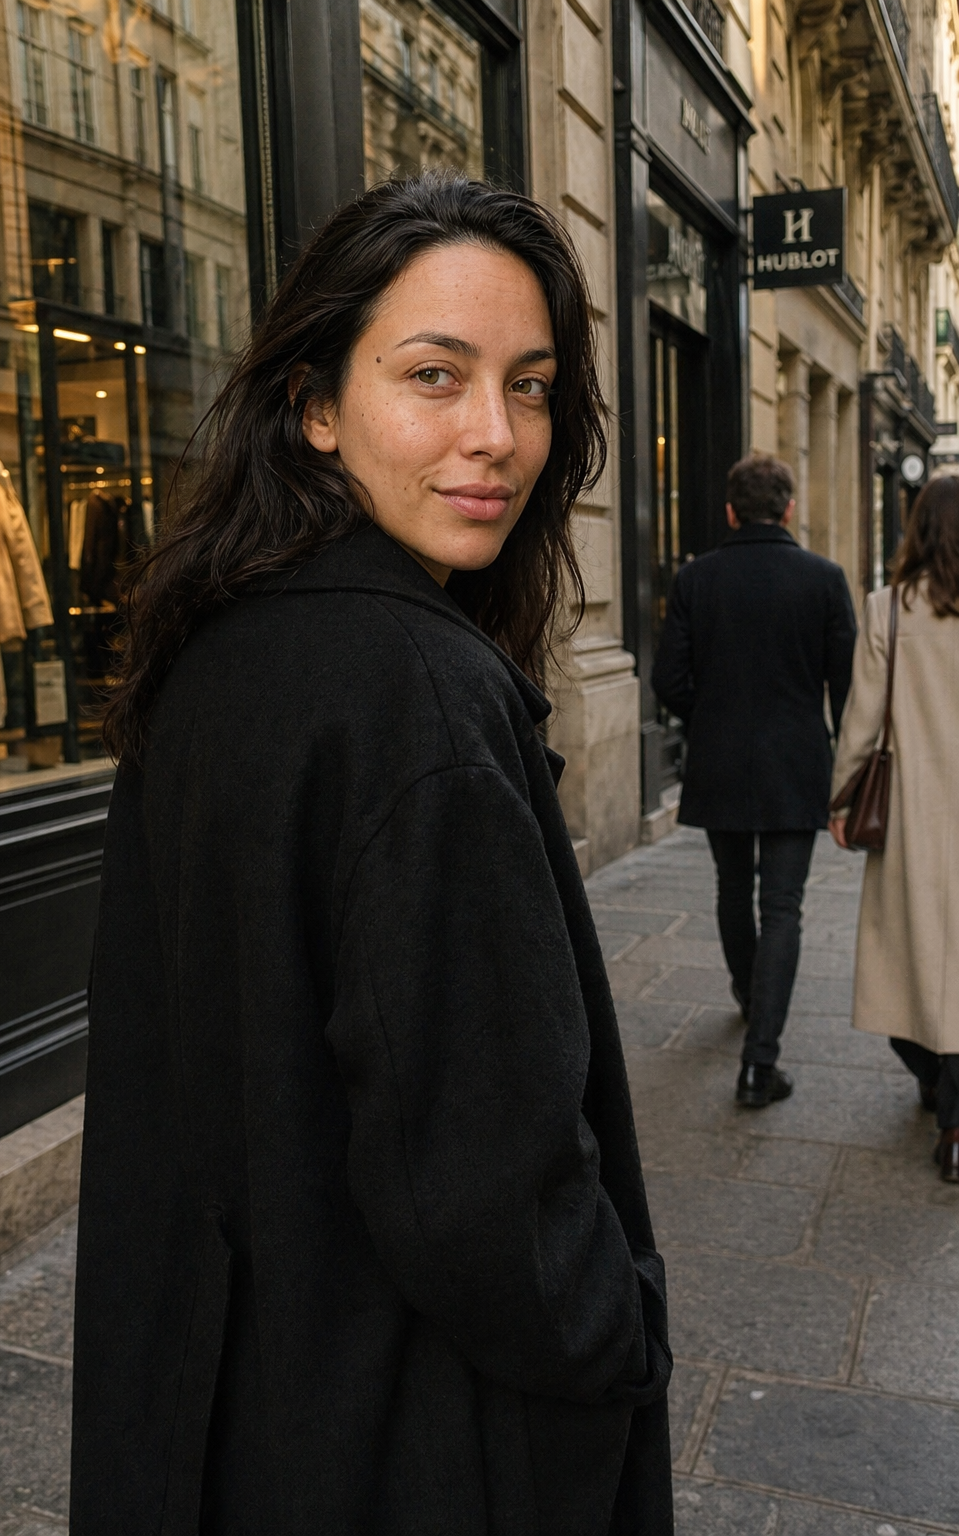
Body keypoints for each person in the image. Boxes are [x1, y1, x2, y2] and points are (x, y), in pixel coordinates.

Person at [69, 174, 673, 1534]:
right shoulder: (414, 697)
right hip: (406, 1446)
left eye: (529, 386)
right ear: (317, 402)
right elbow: (485, 1185)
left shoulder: (223, 642)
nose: (496, 437)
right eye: (434, 375)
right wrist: (615, 1335)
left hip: (232, 1410)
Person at [653, 454, 857, 1108]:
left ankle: (750, 996)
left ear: (731, 512)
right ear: (789, 509)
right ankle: (758, 1063)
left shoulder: (697, 579)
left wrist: (709, 718)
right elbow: (848, 688)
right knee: (783, 907)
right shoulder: (825, 580)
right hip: (798, 763)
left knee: (733, 888)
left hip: (719, 761)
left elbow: (668, 681)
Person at [829, 475, 959, 1182]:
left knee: (912, 959)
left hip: (917, 814)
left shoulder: (888, 608)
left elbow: (861, 719)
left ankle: (942, 1090)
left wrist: (843, 799)